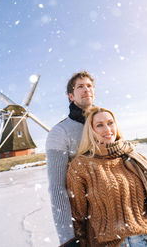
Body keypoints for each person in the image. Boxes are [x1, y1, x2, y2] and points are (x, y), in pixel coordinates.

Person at [66, 107, 147, 247]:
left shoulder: (133, 157)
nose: (107, 129)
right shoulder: (81, 166)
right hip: (115, 242)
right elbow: (78, 216)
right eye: (99, 125)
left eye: (110, 123)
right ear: (91, 131)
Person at [46, 71, 95, 246]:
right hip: (86, 220)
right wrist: (67, 238)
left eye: (89, 86)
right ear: (71, 96)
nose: (86, 89)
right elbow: (57, 187)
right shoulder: (59, 133)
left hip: (117, 217)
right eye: (80, 86)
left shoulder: (104, 124)